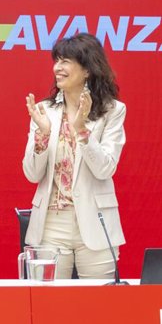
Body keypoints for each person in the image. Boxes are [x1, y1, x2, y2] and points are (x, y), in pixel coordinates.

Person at [23, 33, 126, 279]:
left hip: (96, 221)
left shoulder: (112, 110)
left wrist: (82, 130)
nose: (57, 68)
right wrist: (43, 135)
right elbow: (31, 173)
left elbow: (105, 169)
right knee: (47, 305)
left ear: (88, 69)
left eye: (66, 61)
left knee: (99, 305)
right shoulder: (44, 110)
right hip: (51, 224)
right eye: (56, 60)